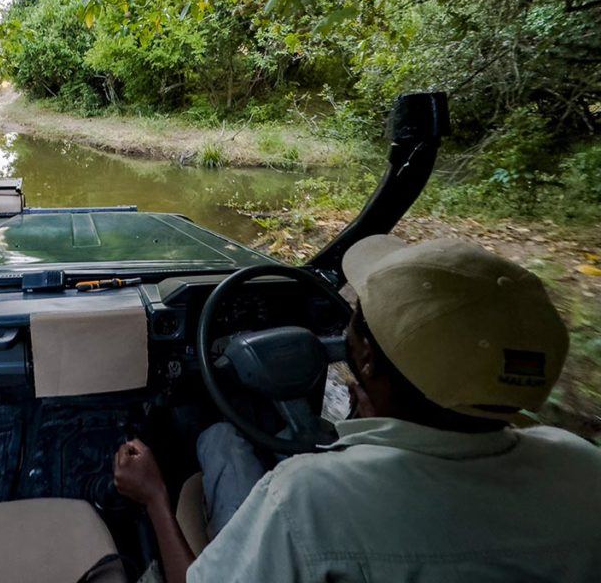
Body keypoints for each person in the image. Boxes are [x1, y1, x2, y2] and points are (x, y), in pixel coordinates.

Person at [112, 235, 601, 583]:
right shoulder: (580, 464)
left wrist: (153, 495)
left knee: (219, 440)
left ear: (363, 355)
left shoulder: (307, 499)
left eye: (358, 315)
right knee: (225, 438)